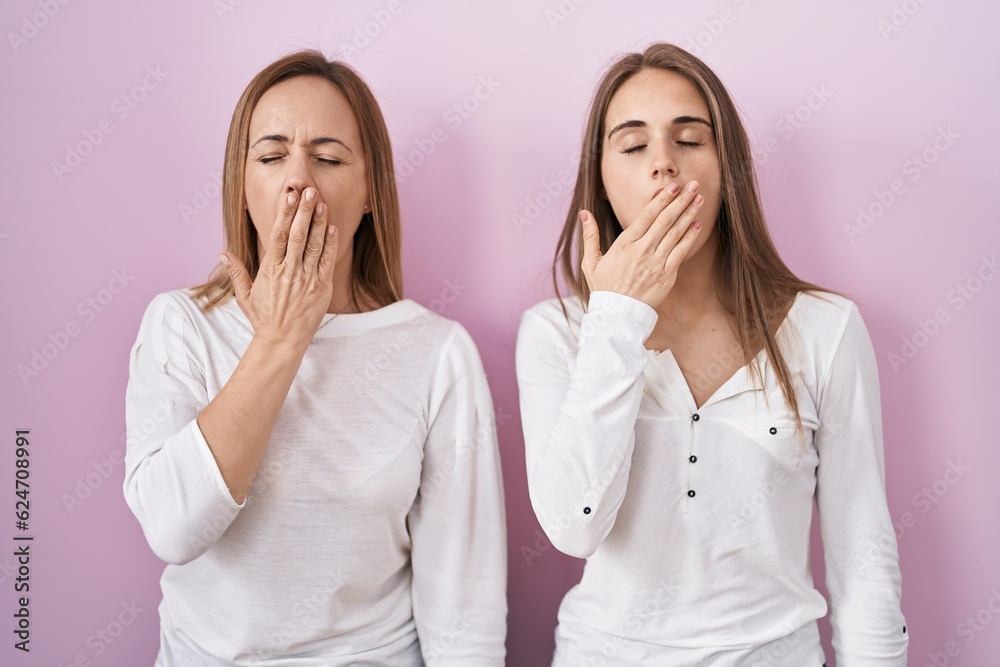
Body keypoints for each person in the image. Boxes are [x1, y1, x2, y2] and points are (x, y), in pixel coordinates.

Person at [515, 42, 907, 666]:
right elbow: (575, 525)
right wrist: (616, 321)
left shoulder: (827, 328)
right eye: (634, 145)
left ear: (730, 166)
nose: (663, 166)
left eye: (689, 140)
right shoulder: (556, 333)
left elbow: (864, 555)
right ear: (604, 179)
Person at [123, 50, 507, 666]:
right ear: (243, 186)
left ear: (370, 193)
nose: (298, 179)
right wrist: (278, 340)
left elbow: (465, 607)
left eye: (327, 158)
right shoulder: (181, 324)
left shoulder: (438, 354)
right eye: (272, 157)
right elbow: (172, 529)